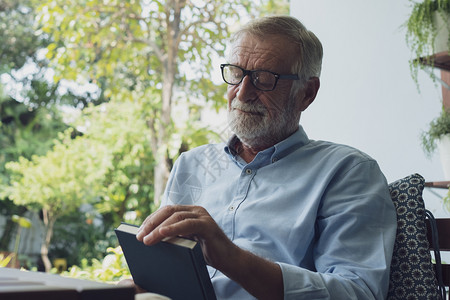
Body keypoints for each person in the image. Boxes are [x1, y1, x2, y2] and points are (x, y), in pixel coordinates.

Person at [136, 15, 397, 300]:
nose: (243, 93)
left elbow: (358, 293)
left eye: (264, 79)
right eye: (236, 73)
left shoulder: (348, 172)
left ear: (307, 93)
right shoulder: (191, 164)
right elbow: (164, 273)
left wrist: (230, 258)